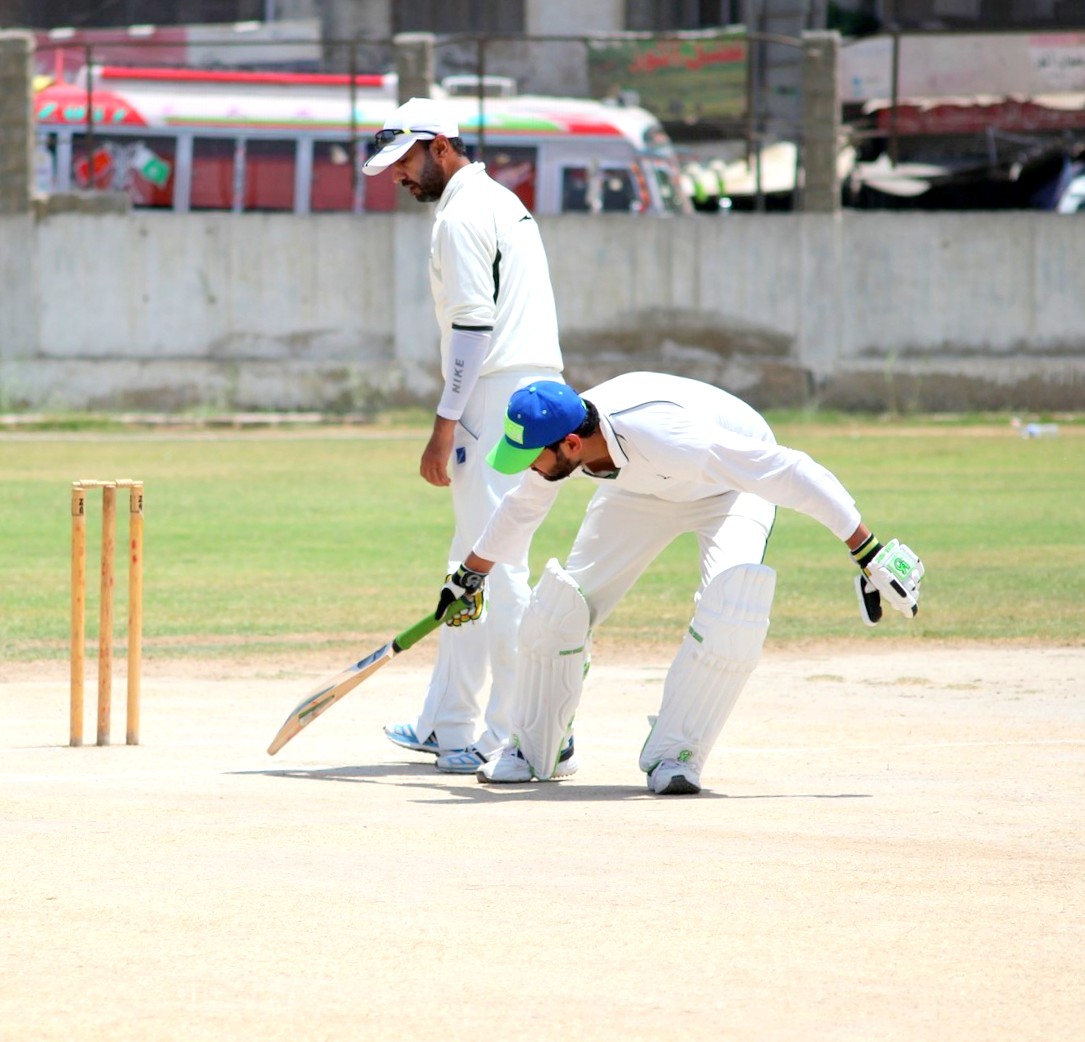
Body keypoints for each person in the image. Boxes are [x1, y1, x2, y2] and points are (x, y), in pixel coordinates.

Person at [433, 373, 924, 795]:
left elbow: (788, 469)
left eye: (531, 457)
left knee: (733, 610)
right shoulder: (567, 436)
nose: (528, 467)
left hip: (728, 489)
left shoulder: (668, 435)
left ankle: (677, 754)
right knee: (558, 608)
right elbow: (522, 508)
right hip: (639, 490)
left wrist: (866, 550)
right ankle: (539, 746)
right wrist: (471, 574)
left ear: (572, 445)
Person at [362, 97, 564, 773]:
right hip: (527, 388)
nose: (397, 176)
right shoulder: (499, 201)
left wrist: (443, 421)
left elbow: (474, 326)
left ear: (440, 146)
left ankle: (520, 732)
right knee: (471, 563)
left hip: (496, 392)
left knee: (497, 563)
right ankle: (447, 724)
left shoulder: (460, 218)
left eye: (404, 161)